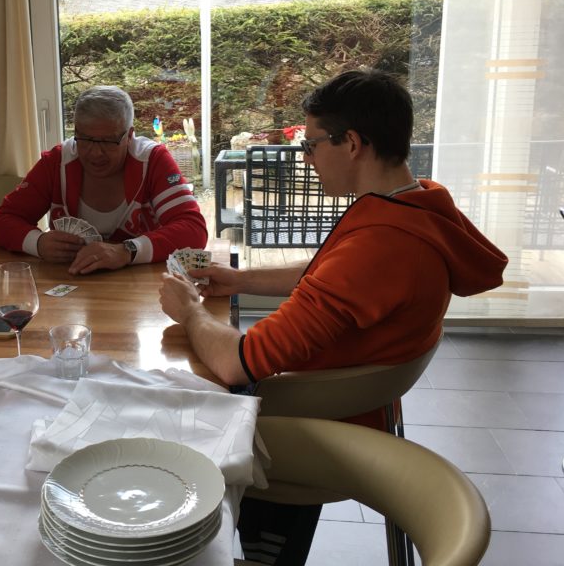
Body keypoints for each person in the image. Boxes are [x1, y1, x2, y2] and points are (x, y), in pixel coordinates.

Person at [158, 68, 507, 565]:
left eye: (312, 144)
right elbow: (331, 272)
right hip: (360, 404)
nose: (307, 157)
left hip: (314, 421)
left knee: (162, 408)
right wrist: (240, 280)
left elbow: (239, 363)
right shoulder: (417, 204)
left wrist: (190, 312)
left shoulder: (383, 245)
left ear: (353, 144)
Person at [0, 85, 208, 274]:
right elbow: (0, 222)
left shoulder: (152, 160)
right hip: (71, 285)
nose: (95, 153)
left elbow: (194, 230)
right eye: (85, 139)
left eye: (108, 141)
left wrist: (127, 251)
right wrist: (37, 243)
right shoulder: (56, 162)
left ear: (129, 136)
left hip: (143, 289)